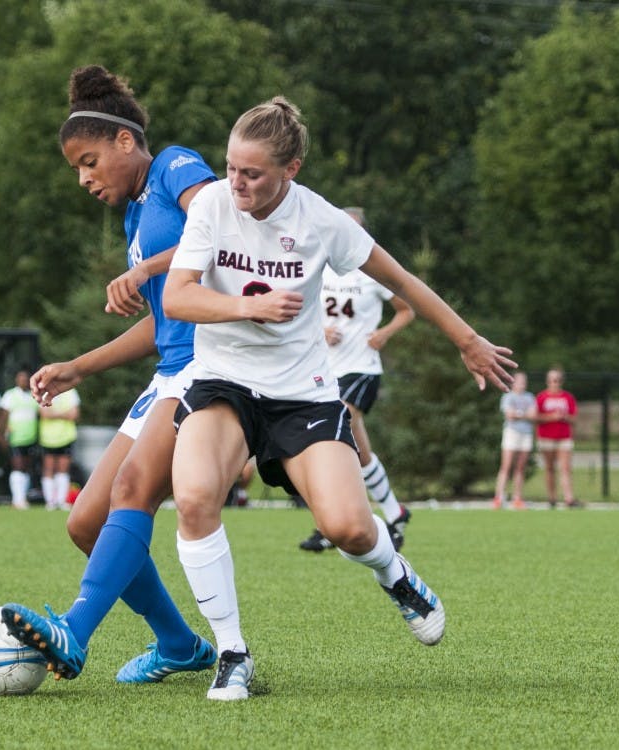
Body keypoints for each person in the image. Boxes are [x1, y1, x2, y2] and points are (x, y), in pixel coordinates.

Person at [160, 97, 514, 699]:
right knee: (194, 500)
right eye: (231, 168)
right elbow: (178, 299)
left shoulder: (323, 221)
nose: (236, 183)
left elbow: (402, 282)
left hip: (302, 396)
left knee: (348, 528)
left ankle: (395, 574)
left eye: (253, 173)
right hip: (222, 383)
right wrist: (249, 305)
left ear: (291, 168)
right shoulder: (213, 206)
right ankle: (231, 653)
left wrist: (467, 339)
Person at [1, 65, 217, 686]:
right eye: (77, 168)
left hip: (213, 368)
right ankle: (179, 645)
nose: (84, 178)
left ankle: (73, 627)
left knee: (131, 494)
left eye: (89, 161)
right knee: (85, 523)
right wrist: (80, 367)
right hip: (171, 372)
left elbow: (226, 231)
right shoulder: (133, 217)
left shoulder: (176, 166)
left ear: (126, 142)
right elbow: (161, 321)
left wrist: (146, 266)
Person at [299, 207, 416, 552]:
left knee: (333, 430)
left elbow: (408, 308)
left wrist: (384, 333)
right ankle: (391, 513)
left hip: (362, 367)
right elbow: (300, 312)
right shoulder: (319, 268)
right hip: (324, 369)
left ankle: (334, 520)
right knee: (358, 453)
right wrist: (320, 330)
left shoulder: (371, 273)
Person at [0, 368, 40, 510]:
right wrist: (1, 434)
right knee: (18, 466)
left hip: (30, 437)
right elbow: (3, 416)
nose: (23, 381)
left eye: (25, 378)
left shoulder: (33, 396)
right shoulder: (10, 395)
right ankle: (17, 499)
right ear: (16, 380)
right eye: (20, 378)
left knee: (26, 468)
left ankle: (22, 498)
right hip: (16, 438)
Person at [536, 367, 580, 508]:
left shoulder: (568, 397)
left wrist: (564, 417)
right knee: (549, 468)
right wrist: (551, 417)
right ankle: (552, 498)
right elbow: (535, 417)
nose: (555, 383)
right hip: (546, 438)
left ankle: (568, 498)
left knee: (565, 468)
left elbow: (575, 419)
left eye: (557, 380)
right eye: (552, 380)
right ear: (547, 381)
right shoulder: (542, 397)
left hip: (564, 438)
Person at [492, 371, 536, 510]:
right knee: (506, 466)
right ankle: (499, 497)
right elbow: (509, 416)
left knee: (520, 467)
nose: (522, 384)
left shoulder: (530, 397)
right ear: (513, 382)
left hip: (526, 434)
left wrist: (518, 414)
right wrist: (523, 415)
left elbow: (533, 415)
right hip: (512, 433)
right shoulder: (508, 397)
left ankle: (517, 498)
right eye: (520, 381)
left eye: (524, 381)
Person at [38, 388, 80, 510]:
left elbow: (74, 414)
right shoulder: (44, 392)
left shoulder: (71, 392)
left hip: (66, 437)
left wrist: (54, 413)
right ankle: (50, 502)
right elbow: (44, 414)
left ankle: (61, 501)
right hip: (48, 438)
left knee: (63, 470)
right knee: (49, 469)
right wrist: (64, 414)